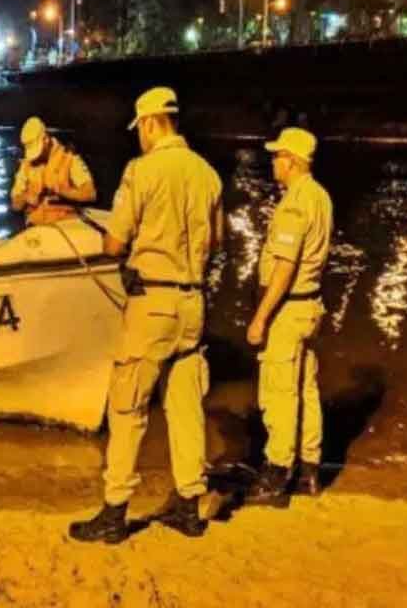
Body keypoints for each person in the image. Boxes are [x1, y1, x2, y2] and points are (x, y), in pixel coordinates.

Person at [69, 87, 224, 543]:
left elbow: (115, 242)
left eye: (140, 129)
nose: (139, 137)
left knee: (128, 405)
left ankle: (115, 510)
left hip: (152, 302)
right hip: (193, 304)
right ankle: (190, 505)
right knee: (185, 405)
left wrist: (126, 246)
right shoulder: (208, 174)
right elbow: (217, 241)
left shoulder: (141, 171)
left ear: (153, 123)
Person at [244, 127, 333, 506]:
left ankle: (277, 474)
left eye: (278, 156)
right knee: (306, 390)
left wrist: (260, 317)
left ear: (293, 162)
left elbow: (285, 266)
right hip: (311, 306)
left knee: (279, 393)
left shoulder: (295, 203)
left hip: (289, 308)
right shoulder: (320, 196)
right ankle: (310, 469)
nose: (273, 162)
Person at [10, 116, 96, 225]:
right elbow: (15, 205)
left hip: (65, 224)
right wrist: (26, 197)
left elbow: (90, 194)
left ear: (46, 139)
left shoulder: (69, 158)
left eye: (38, 150)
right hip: (36, 227)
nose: (36, 157)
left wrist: (63, 191)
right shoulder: (26, 164)